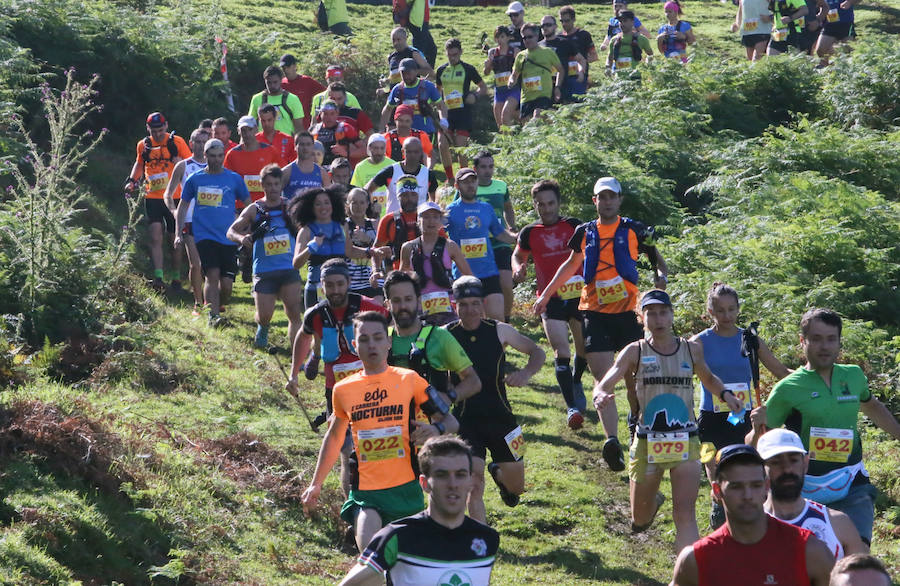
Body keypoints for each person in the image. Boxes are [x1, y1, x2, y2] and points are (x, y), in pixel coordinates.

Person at [533, 176, 668, 473]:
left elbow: (657, 259)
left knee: (634, 380)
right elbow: (570, 265)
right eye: (601, 197)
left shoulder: (635, 229)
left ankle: (635, 429)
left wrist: (661, 277)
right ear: (594, 201)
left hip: (628, 314)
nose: (606, 202)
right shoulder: (584, 232)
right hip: (593, 312)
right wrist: (545, 296)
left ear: (619, 200)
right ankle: (611, 441)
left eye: (611, 197)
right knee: (603, 378)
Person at [593, 290, 743, 551]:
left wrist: (726, 394)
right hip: (647, 441)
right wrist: (600, 393)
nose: (658, 319)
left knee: (684, 514)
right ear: (642, 317)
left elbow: (708, 378)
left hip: (685, 439)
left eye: (663, 312)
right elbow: (610, 377)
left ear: (672, 315)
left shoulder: (691, 349)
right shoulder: (634, 351)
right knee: (639, 518)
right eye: (651, 313)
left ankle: (692, 573)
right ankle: (652, 501)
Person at [300, 311, 458, 552]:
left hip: (407, 490)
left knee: (408, 566)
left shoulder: (410, 380)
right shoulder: (343, 390)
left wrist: (435, 428)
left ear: (389, 342)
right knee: (372, 558)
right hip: (366, 494)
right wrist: (316, 484)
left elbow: (451, 421)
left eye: (377, 338)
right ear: (355, 345)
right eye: (364, 339)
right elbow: (334, 438)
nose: (371, 344)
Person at [749, 308, 900, 547]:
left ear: (840, 342)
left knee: (857, 554)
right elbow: (758, 445)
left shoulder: (853, 376)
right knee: (811, 558)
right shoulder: (788, 388)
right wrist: (757, 428)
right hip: (804, 488)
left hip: (852, 482)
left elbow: (872, 405)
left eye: (831, 339)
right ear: (803, 342)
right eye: (816, 339)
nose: (825, 346)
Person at [691, 282, 790, 529]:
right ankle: (718, 509)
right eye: (720, 310)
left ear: (738, 309)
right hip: (709, 416)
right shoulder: (698, 342)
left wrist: (813, 380)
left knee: (744, 466)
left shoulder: (750, 339)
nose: (726, 316)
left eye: (731, 309)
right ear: (710, 311)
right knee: (713, 465)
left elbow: (779, 370)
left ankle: (748, 516)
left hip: (742, 417)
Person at [447, 276, 545, 523]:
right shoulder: (444, 336)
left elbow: (538, 351)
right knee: (473, 485)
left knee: (518, 488)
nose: (470, 310)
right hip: (465, 422)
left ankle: (499, 474)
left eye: (475, 303)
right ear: (454, 304)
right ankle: (480, 542)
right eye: (463, 304)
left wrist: (525, 373)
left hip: (503, 419)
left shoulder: (500, 330)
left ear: (483, 303)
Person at [339, 436, 499, 586]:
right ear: (424, 483)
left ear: (471, 481)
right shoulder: (397, 536)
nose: (453, 484)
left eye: (460, 475)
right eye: (441, 475)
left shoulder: (487, 539)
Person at [671, 444, 835, 586]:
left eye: (755, 485)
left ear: (766, 487)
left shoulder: (808, 551)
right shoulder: (696, 559)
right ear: (717, 490)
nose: (747, 495)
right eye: (736, 487)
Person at [513, 179, 587, 429]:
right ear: (535, 206)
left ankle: (576, 381)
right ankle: (572, 408)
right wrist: (518, 266)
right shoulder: (530, 232)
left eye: (551, 203)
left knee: (582, 350)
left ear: (558, 203)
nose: (546, 209)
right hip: (549, 299)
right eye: (541, 205)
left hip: (579, 296)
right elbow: (517, 254)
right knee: (561, 352)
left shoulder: (574, 225)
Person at [758, 428, 868, 559]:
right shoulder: (748, 526)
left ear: (805, 463)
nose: (787, 469)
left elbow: (860, 577)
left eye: (793, 460)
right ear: (760, 469)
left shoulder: (838, 524)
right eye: (776, 462)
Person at [174, 139, 251, 327]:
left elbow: (249, 205)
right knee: (211, 274)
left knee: (226, 285)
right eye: (212, 156)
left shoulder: (234, 179)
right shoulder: (196, 179)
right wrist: (178, 233)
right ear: (205, 155)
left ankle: (219, 304)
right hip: (204, 235)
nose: (217, 160)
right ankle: (213, 317)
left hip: (228, 237)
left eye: (220, 156)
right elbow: (183, 207)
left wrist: (247, 227)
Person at [226, 164, 303, 349]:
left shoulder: (291, 207)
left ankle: (297, 351)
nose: (273, 188)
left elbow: (306, 229)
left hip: (288, 267)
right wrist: (242, 238)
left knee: (293, 311)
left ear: (281, 185)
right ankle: (263, 328)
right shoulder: (254, 209)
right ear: (262, 185)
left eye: (276, 184)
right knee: (265, 315)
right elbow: (231, 231)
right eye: (269, 184)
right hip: (264, 269)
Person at [383, 270, 479, 400]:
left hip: (430, 419)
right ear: (387, 304)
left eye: (408, 299)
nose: (403, 306)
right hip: (392, 418)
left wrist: (448, 398)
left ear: (418, 300)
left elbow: (473, 381)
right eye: (396, 301)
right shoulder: (381, 339)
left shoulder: (438, 336)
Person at [125, 111, 192, 291]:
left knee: (174, 239)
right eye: (153, 131)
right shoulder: (143, 145)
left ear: (166, 126)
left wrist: (179, 162)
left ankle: (177, 277)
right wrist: (132, 181)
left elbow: (191, 164)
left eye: (160, 130)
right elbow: (139, 163)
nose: (157, 134)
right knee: (155, 236)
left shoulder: (177, 142)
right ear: (148, 129)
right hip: (152, 197)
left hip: (175, 197)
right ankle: (159, 277)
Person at [445, 168, 517, 322]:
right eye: (465, 182)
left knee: (497, 318)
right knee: (472, 321)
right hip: (463, 274)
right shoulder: (450, 211)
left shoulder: (486, 208)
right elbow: (439, 235)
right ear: (457, 186)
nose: (470, 185)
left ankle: (499, 347)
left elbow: (500, 234)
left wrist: (519, 239)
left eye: (473, 181)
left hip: (489, 272)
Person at [290, 185, 374, 309]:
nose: (323, 207)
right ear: (311, 207)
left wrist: (371, 252)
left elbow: (349, 251)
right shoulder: (306, 230)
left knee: (345, 326)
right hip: (317, 288)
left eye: (326, 203)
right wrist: (311, 248)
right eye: (318, 204)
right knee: (316, 327)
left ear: (332, 205)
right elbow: (296, 264)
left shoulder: (342, 225)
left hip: (342, 289)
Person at [400, 202, 471, 326]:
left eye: (435, 217)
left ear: (441, 221)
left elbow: (468, 276)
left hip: (447, 304)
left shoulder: (450, 246)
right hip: (420, 304)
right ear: (418, 220)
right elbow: (401, 279)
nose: (430, 221)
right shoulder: (408, 247)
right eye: (426, 217)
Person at [163, 128, 209, 314]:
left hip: (211, 221)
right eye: (197, 142)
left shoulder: (215, 166)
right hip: (189, 220)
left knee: (209, 266)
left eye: (204, 142)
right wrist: (174, 212)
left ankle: (211, 300)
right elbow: (168, 193)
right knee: (195, 264)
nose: (200, 145)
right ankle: (198, 304)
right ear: (191, 144)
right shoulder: (183, 166)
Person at [471, 151, 516, 322]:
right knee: (481, 285)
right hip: (478, 245)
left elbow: (508, 208)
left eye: (490, 166)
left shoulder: (501, 186)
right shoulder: (468, 187)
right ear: (475, 169)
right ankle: (485, 321)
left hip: (500, 241)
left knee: (505, 283)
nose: (487, 171)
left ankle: (506, 320)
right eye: (483, 167)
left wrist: (511, 226)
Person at [435, 38, 487, 172]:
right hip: (447, 114)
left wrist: (474, 96)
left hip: (463, 113)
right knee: (442, 144)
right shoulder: (441, 70)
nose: (452, 58)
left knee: (460, 148)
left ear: (461, 52)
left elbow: (483, 87)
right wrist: (441, 114)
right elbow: (437, 93)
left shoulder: (468, 69)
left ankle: (465, 175)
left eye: (455, 54)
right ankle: (450, 178)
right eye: (449, 55)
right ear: (446, 53)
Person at [366, 137, 439, 216]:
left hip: (419, 223)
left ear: (421, 152)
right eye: (409, 152)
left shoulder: (428, 174)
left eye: (416, 152)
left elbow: (435, 201)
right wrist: (371, 208)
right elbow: (367, 190)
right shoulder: (391, 171)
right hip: (393, 222)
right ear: (403, 152)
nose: (412, 155)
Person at [382, 59, 448, 144]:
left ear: (416, 72)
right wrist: (381, 130)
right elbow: (388, 109)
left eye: (409, 73)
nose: (406, 76)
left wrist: (443, 120)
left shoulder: (428, 87)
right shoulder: (397, 89)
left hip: (425, 131)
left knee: (424, 156)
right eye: (403, 73)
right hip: (404, 133)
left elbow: (441, 105)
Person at [509, 22, 563, 121]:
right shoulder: (521, 56)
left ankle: (557, 116)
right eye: (524, 38)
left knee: (537, 115)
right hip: (526, 97)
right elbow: (514, 75)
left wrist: (557, 87)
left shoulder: (548, 52)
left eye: (530, 37)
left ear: (536, 36)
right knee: (529, 127)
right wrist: (511, 81)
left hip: (543, 96)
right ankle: (554, 119)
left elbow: (561, 70)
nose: (527, 40)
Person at [373, 175, 425, 274]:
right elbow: (376, 250)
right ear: (398, 197)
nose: (409, 199)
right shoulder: (388, 220)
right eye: (405, 195)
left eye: (413, 194)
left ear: (418, 195)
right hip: (399, 277)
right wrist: (376, 271)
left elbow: (445, 246)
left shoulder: (428, 217)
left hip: (426, 276)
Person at [223, 116, 280, 206]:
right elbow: (226, 181)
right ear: (238, 131)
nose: (247, 133)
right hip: (240, 206)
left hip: (266, 205)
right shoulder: (232, 154)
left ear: (256, 129)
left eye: (250, 129)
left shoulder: (270, 151)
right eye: (243, 130)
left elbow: (281, 176)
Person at [539, 15, 586, 104]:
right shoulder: (538, 46)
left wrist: (581, 72)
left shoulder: (564, 42)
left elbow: (581, 60)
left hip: (564, 85)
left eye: (548, 25)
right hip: (544, 87)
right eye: (542, 26)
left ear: (555, 26)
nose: (545, 28)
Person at [345, 188, 382, 303]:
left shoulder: (375, 224)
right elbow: (345, 251)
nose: (358, 206)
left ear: (367, 204)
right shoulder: (344, 225)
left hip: (373, 277)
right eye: (354, 202)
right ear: (348, 205)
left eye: (362, 202)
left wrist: (367, 239)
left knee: (378, 308)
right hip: (352, 280)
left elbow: (381, 250)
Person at [248, 66, 305, 137]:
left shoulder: (293, 99)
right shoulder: (257, 99)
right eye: (269, 82)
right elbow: (250, 124)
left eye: (275, 82)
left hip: (286, 143)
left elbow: (299, 127)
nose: (272, 85)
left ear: (281, 80)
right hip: (263, 143)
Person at [559, 5, 599, 100]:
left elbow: (594, 56)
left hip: (579, 77)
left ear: (574, 19)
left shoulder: (583, 35)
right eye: (561, 21)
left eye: (567, 20)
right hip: (563, 78)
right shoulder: (558, 37)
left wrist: (581, 63)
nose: (564, 24)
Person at [484, 25, 521, 128]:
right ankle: (507, 141)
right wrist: (488, 64)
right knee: (500, 123)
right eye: (497, 37)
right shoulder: (492, 52)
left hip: (513, 89)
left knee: (505, 115)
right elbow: (486, 72)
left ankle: (520, 133)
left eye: (502, 36)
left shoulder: (515, 51)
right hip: (499, 90)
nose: (499, 40)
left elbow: (521, 69)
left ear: (509, 38)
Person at [350, 135, 395, 218]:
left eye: (382, 148)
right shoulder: (360, 167)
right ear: (369, 148)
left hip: (389, 215)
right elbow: (356, 191)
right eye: (376, 148)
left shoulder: (393, 165)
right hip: (368, 216)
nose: (379, 152)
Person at [281, 131, 332, 202]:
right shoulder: (286, 172)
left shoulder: (322, 173)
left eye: (308, 144)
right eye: (302, 144)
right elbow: (275, 198)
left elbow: (329, 199)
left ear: (313, 147)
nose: (305, 148)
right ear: (295, 147)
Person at [310, 100, 362, 169]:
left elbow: (364, 150)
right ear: (320, 114)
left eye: (332, 113)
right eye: (325, 114)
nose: (329, 117)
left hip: (340, 173)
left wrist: (347, 153)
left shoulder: (345, 128)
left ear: (337, 113)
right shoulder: (313, 129)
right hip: (318, 170)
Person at [278, 53, 325, 130]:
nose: (285, 70)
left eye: (288, 67)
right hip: (286, 128)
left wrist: (317, 115)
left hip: (305, 126)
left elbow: (325, 94)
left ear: (295, 66)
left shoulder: (307, 81)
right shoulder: (280, 84)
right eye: (283, 68)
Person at [814, 0, 857, 67]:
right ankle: (825, 68)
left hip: (846, 23)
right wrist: (820, 16)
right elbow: (822, 5)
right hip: (829, 24)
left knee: (848, 50)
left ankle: (849, 68)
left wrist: (849, 2)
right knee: (820, 50)